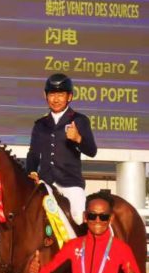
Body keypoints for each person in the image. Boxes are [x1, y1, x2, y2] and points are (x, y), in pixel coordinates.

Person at [27, 73, 98, 229]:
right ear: (45, 95)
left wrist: (79, 139)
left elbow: (92, 151)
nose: (56, 99)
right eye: (52, 94)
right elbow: (33, 153)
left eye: (61, 94)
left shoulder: (79, 120)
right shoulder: (40, 124)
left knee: (79, 218)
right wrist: (31, 170)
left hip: (71, 184)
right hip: (46, 183)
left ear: (69, 96)